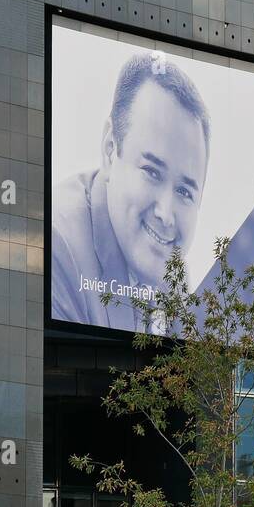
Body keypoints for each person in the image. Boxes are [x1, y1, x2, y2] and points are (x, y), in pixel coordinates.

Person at [51, 51, 211, 330]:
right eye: (152, 172)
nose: (165, 213)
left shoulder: (176, 287)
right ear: (110, 150)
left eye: (185, 191)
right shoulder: (57, 248)